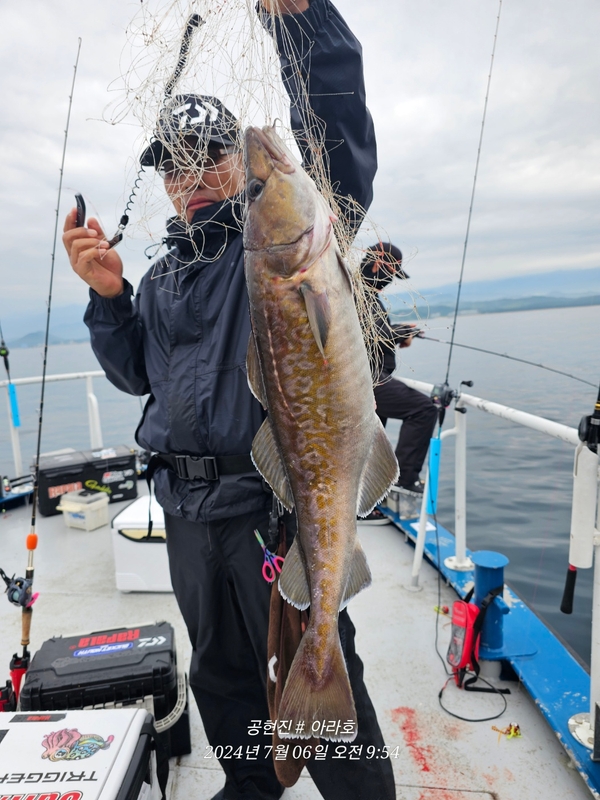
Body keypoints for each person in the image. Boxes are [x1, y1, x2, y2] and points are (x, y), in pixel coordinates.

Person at [62, 2, 396, 799]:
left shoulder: (280, 238)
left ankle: (361, 791)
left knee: (314, 660)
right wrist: (110, 298)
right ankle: (253, 786)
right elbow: (134, 375)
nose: (190, 177)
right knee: (218, 674)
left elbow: (338, 141)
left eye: (208, 155)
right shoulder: (164, 275)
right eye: (173, 165)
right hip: (184, 512)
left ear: (239, 166)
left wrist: (305, 24)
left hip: (266, 507)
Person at [361, 242, 438, 506]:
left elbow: (377, 333)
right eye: (391, 273)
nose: (391, 280)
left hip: (372, 380)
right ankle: (404, 482)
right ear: (377, 263)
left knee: (371, 443)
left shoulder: (370, 296)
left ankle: (370, 499)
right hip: (368, 381)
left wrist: (400, 332)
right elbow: (364, 334)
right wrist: (401, 333)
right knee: (423, 409)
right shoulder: (355, 291)